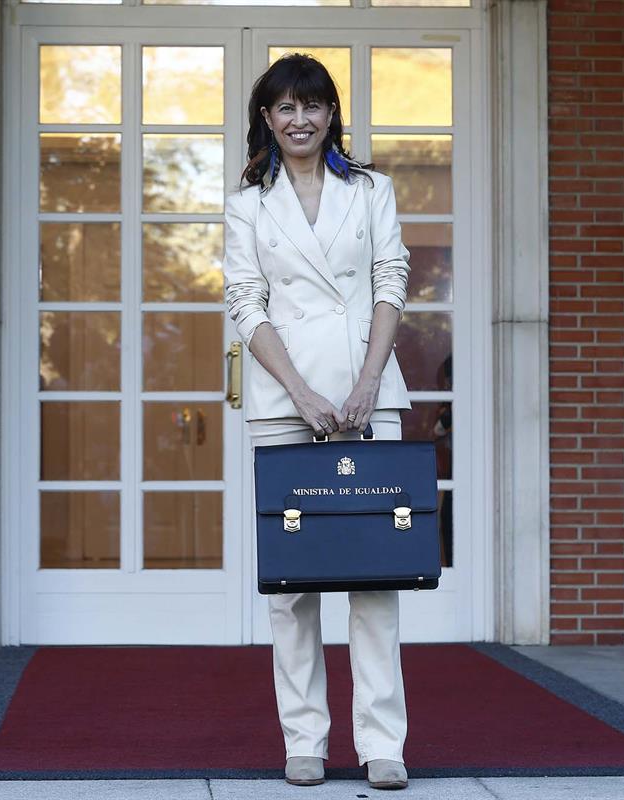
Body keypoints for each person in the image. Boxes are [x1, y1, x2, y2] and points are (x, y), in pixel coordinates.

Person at [222, 54, 413, 790]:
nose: (299, 119)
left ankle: (382, 745)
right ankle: (305, 740)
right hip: (283, 402)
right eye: (284, 108)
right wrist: (301, 392)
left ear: (332, 114)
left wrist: (367, 384)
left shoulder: (372, 191)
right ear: (266, 121)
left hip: (371, 397)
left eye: (312, 105)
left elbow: (391, 282)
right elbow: (247, 303)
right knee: (291, 585)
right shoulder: (249, 204)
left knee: (375, 578)